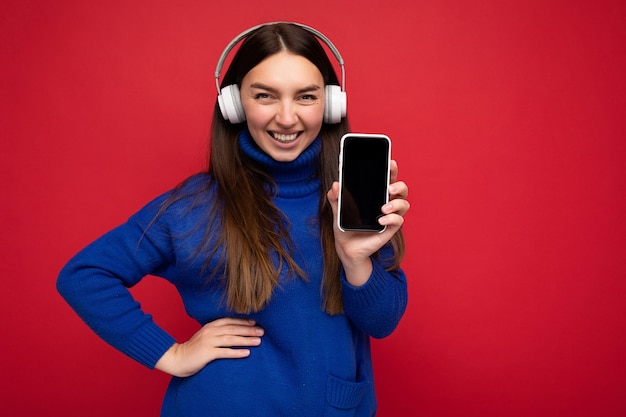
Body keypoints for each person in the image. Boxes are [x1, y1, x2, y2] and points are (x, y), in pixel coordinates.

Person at [57, 22, 410, 417]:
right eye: (265, 96)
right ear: (234, 104)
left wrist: (354, 260)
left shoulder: (352, 201)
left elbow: (382, 323)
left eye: (306, 97)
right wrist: (170, 353)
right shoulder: (194, 206)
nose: (287, 118)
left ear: (330, 105)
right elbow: (84, 275)